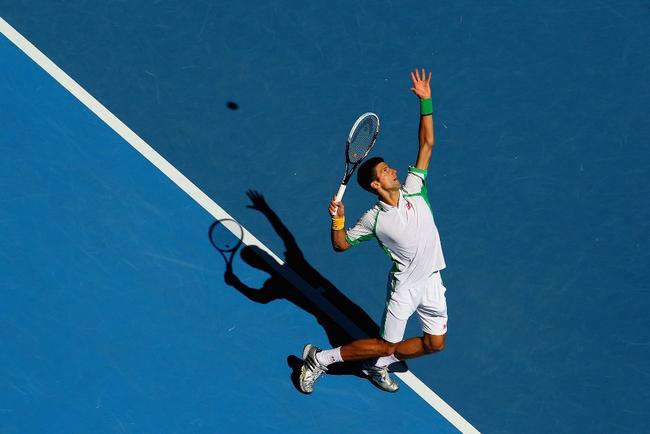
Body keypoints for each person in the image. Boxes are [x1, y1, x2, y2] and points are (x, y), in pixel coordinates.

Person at [299, 68, 448, 393]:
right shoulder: (374, 219)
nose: (394, 170)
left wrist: (426, 101)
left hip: (432, 279)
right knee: (384, 344)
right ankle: (319, 359)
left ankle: (377, 364)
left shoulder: (414, 188)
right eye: (386, 170)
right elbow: (341, 245)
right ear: (375, 184)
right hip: (405, 288)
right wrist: (338, 220)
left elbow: (427, 144)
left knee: (435, 343)